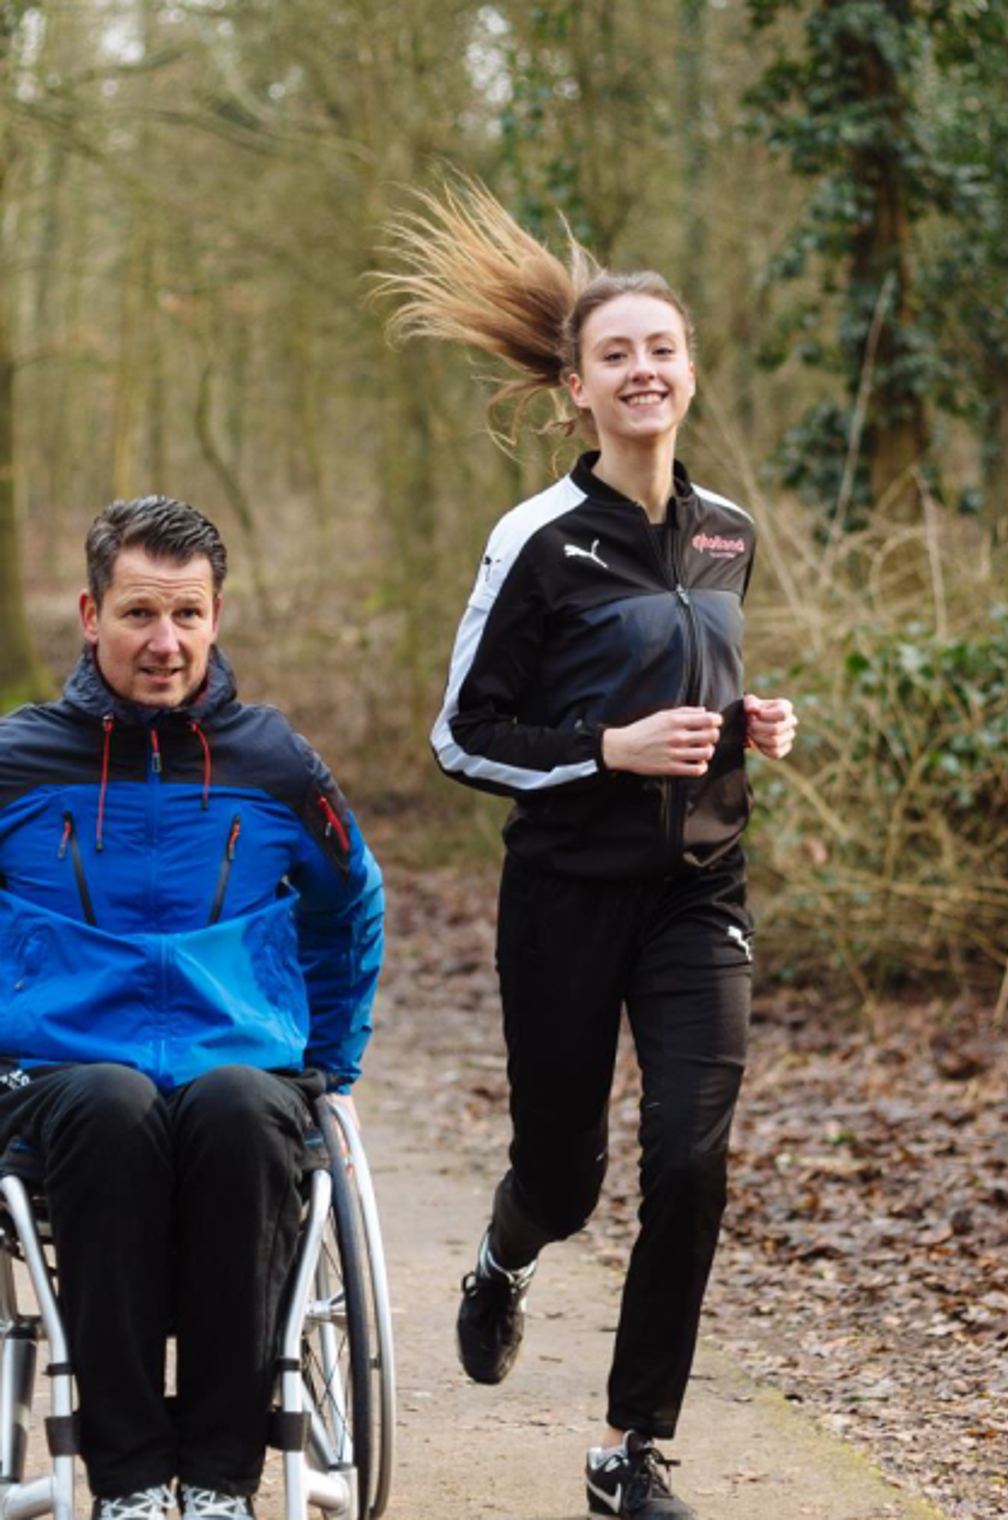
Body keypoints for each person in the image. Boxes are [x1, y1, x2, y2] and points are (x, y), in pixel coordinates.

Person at [376, 181, 797, 1520]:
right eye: (613, 353)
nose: (641, 370)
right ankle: (502, 1260)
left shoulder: (730, 532)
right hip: (561, 894)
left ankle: (630, 1450)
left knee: (688, 1154)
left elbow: (699, 681)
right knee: (564, 1178)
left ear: (687, 370)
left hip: (697, 892)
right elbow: (463, 734)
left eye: (659, 349)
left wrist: (747, 726)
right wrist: (604, 752)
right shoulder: (535, 543)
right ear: (574, 388)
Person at [0, 497, 384, 1520]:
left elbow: (351, 903)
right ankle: (129, 1480)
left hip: (238, 1063)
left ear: (218, 616)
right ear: (90, 614)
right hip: (62, 1071)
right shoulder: (18, 760)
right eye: (137, 614)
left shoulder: (277, 762)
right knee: (111, 1106)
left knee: (237, 1109)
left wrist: (331, 1060)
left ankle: (218, 1476)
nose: (163, 642)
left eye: (186, 614)